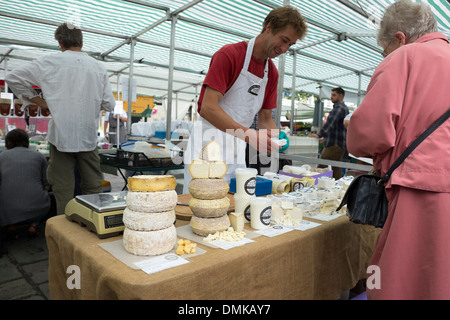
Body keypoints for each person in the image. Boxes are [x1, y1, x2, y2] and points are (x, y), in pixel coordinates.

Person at [346, 0, 450, 300]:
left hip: (419, 188)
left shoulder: (406, 57)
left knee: (397, 281)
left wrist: (353, 130)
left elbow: (370, 133)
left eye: (385, 49)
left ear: (400, 38)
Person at [183, 5, 308, 192]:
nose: (284, 49)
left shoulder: (271, 73)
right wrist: (248, 134)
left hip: (238, 150)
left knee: (237, 204)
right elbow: (208, 108)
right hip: (207, 147)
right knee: (204, 209)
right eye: (284, 40)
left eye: (290, 45)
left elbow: (265, 119)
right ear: (269, 27)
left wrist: (276, 137)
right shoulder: (230, 56)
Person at [6, 22, 116, 214]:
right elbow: (110, 105)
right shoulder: (98, 67)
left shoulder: (49, 62)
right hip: (88, 136)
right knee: (93, 188)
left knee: (63, 190)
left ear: (60, 43)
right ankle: (94, 228)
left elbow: (13, 77)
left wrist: (40, 102)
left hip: (61, 136)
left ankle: (64, 236)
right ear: (81, 42)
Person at [0, 129, 51, 237]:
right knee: (47, 198)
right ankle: (33, 225)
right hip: (36, 208)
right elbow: (46, 185)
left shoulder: (2, 157)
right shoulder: (39, 156)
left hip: (8, 211)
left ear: (8, 142)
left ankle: (11, 225)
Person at [311, 87, 349, 179]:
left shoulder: (339, 108)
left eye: (334, 95)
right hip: (339, 145)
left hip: (334, 145)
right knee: (335, 168)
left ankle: (317, 187)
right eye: (331, 94)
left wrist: (319, 134)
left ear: (340, 96)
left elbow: (330, 123)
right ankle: (336, 188)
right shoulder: (344, 108)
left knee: (322, 168)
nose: (331, 97)